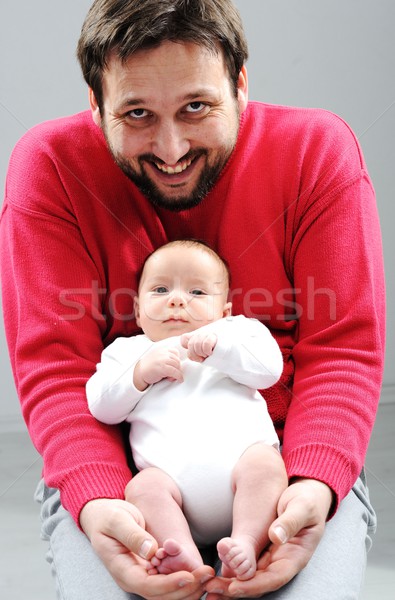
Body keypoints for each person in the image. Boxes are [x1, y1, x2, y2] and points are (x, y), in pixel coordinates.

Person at [0, 0, 385, 598]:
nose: (172, 148)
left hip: (286, 461)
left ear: (241, 85)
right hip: (125, 474)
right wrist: (100, 499)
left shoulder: (317, 151)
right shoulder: (49, 167)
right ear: (96, 105)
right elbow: (57, 373)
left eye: (196, 107)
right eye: (136, 114)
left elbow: (342, 351)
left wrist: (315, 483)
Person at [86, 239, 288, 581]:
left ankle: (247, 541)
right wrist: (139, 375)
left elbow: (270, 371)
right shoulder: (129, 352)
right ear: (137, 310)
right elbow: (101, 406)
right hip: (172, 490)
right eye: (161, 289)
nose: (177, 300)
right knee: (143, 488)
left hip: (243, 470)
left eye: (197, 293)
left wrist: (221, 350)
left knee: (265, 464)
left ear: (224, 312)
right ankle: (184, 556)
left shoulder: (235, 333)